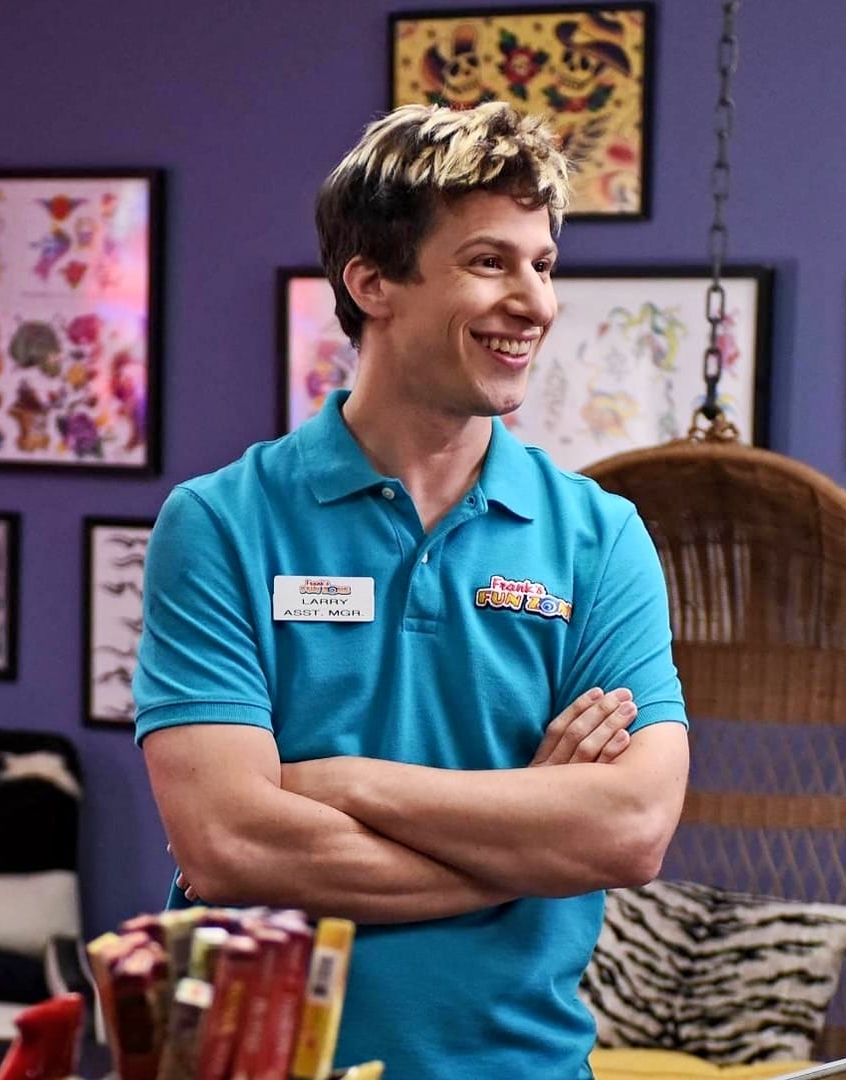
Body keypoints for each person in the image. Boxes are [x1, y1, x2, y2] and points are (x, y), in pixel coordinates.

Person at [134, 102, 690, 1080]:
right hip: (261, 1064)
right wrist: (528, 837)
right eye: (490, 262)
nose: (534, 302)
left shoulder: (600, 540)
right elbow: (228, 845)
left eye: (543, 265)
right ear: (372, 284)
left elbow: (631, 830)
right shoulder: (220, 523)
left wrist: (341, 783)